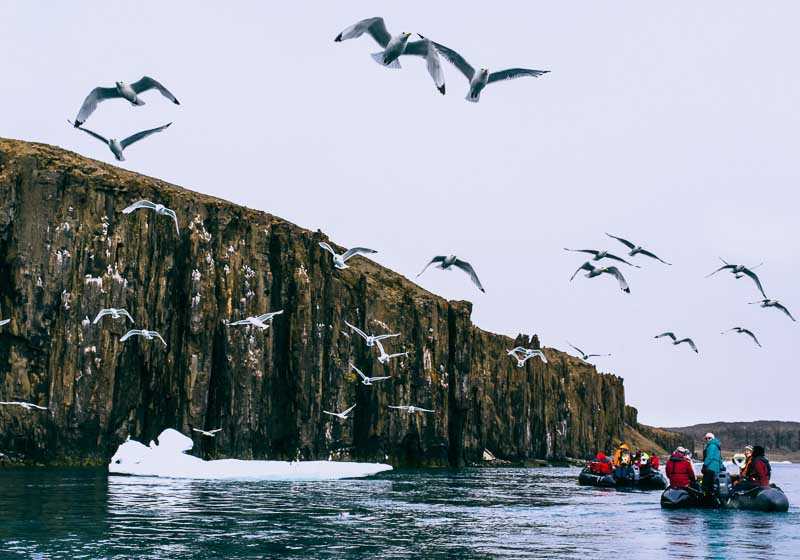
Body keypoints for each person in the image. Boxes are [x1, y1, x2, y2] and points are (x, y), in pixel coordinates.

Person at [701, 432, 723, 497]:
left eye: (709, 438)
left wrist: (705, 465)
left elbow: (709, 457)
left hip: (711, 467)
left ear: (712, 438)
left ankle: (707, 498)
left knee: (706, 484)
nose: (708, 439)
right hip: (716, 468)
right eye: (706, 438)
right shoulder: (717, 445)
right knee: (712, 484)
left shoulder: (712, 446)